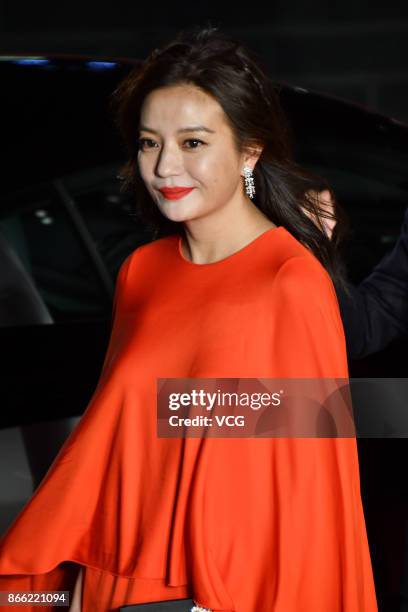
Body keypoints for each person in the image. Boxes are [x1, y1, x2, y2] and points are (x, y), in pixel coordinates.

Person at [0, 27, 378, 611]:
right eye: (150, 143)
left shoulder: (288, 281)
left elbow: (304, 490)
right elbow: (111, 447)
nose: (165, 167)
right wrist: (68, 583)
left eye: (194, 143)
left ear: (249, 151)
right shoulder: (141, 273)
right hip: (113, 576)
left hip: (213, 592)